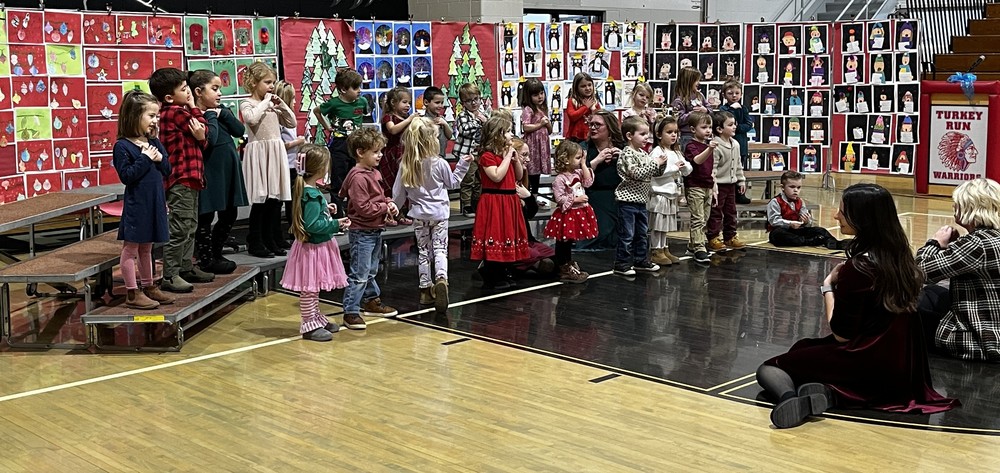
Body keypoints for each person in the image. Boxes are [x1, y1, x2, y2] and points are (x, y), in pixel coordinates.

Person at [757, 183, 959, 429]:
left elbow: (842, 334)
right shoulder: (902, 257)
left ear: (862, 218)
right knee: (804, 349)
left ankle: (789, 399)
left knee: (770, 368)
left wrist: (828, 287)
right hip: (902, 366)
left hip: (865, 361)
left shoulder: (859, 268)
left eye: (842, 211)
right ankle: (830, 393)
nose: (835, 216)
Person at [392, 117, 472, 312]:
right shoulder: (440, 163)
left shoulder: (406, 164)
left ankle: (425, 291)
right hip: (440, 214)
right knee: (440, 250)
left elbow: (398, 194)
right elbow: (453, 183)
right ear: (430, 141)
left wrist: (393, 210)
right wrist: (462, 165)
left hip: (419, 215)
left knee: (423, 252)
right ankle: (442, 279)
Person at [916, 177, 1000, 361]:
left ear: (970, 208)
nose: (954, 208)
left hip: (983, 343)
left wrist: (935, 242)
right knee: (932, 292)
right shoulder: (990, 238)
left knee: (907, 311)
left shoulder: (977, 244)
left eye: (957, 204)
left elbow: (918, 271)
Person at [148, 67, 211, 293]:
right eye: (184, 90)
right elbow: (204, 130)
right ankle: (170, 274)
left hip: (191, 178)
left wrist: (201, 136)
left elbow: (201, 139)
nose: (189, 94)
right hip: (181, 179)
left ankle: (185, 267)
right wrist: (195, 107)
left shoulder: (176, 112)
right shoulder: (176, 112)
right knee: (180, 227)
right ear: (168, 97)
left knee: (190, 225)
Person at [112, 90, 176, 309]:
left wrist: (159, 156)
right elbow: (127, 176)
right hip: (137, 205)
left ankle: (149, 286)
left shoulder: (153, 142)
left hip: (155, 202)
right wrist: (145, 158)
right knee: (131, 248)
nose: (155, 120)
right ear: (134, 116)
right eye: (151, 116)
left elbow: (167, 169)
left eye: (156, 116)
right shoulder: (123, 146)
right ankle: (132, 292)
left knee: (147, 248)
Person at [280, 144, 350, 342]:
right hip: (313, 250)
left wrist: (326, 209)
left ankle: (316, 317)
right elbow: (312, 225)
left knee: (314, 287)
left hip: (316, 248)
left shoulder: (310, 191)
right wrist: (335, 224)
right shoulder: (311, 193)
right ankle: (309, 324)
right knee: (310, 289)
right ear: (320, 168)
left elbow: (311, 215)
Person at [340, 127, 399, 330]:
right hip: (362, 231)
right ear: (360, 152)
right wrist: (384, 207)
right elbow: (363, 208)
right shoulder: (358, 177)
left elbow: (380, 197)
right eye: (375, 152)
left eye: (380, 151)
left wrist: (389, 203)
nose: (380, 155)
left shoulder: (374, 173)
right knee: (360, 273)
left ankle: (371, 300)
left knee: (371, 270)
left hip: (374, 230)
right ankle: (350, 311)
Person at [190, 69, 248, 275]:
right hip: (209, 172)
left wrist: (222, 113)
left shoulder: (220, 110)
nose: (219, 94)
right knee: (206, 215)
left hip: (228, 171)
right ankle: (205, 258)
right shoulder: (195, 115)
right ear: (198, 91)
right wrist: (212, 116)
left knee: (230, 212)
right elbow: (210, 139)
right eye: (214, 89)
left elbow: (239, 131)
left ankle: (216, 251)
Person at [240, 62, 297, 258]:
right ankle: (255, 240)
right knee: (261, 200)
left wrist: (281, 106)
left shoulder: (272, 105)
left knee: (274, 200)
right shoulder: (248, 103)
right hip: (260, 152)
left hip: (275, 151)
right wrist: (266, 102)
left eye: (273, 82)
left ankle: (271, 239)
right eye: (267, 82)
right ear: (254, 83)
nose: (271, 86)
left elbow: (292, 122)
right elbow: (252, 119)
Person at [471, 114, 530, 289]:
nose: (512, 135)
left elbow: (519, 176)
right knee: (495, 234)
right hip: (494, 200)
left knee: (507, 236)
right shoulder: (487, 156)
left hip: (509, 199)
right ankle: (491, 274)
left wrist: (515, 159)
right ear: (498, 134)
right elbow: (496, 176)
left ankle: (504, 271)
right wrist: (506, 158)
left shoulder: (507, 154)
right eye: (508, 131)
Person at [613, 115, 667, 276]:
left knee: (642, 233)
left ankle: (640, 260)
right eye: (642, 134)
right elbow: (636, 173)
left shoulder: (643, 154)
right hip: (627, 201)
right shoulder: (627, 154)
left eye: (647, 134)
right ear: (629, 136)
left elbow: (654, 173)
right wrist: (654, 163)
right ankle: (621, 263)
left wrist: (662, 164)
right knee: (627, 235)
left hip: (642, 201)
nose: (646, 138)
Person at [314, 68, 367, 216]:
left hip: (357, 144)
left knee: (356, 178)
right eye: (355, 88)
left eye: (359, 87)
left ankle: (355, 213)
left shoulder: (362, 102)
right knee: (338, 180)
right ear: (343, 89)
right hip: (340, 144)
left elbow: (364, 117)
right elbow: (317, 111)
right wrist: (327, 127)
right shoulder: (334, 103)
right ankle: (337, 215)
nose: (359, 91)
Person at [543, 140, 596, 283]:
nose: (580, 160)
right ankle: (563, 266)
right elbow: (559, 198)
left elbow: (588, 182)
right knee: (563, 242)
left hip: (577, 213)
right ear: (566, 159)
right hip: (567, 214)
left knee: (569, 241)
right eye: (578, 158)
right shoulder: (560, 179)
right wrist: (576, 199)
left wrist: (584, 164)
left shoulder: (578, 172)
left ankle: (568, 263)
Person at [576, 109, 624, 251]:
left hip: (619, 195)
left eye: (598, 125)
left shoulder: (622, 147)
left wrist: (623, 158)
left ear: (609, 128)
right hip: (593, 195)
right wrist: (597, 161)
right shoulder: (583, 148)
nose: (593, 128)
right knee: (597, 236)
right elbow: (575, 176)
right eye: (591, 125)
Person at [648, 116, 691, 266]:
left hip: (671, 194)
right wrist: (674, 168)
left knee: (665, 225)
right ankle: (656, 249)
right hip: (660, 193)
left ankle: (664, 248)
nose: (674, 135)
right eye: (669, 132)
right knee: (658, 224)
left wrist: (684, 167)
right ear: (659, 134)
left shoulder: (676, 152)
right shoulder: (657, 152)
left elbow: (687, 169)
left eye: (676, 132)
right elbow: (655, 172)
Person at [706, 110, 747, 251]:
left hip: (731, 185)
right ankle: (713, 237)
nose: (734, 127)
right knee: (716, 212)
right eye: (730, 125)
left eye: (734, 124)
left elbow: (738, 165)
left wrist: (741, 180)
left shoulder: (735, 144)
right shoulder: (715, 146)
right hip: (719, 186)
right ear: (719, 129)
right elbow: (713, 168)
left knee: (731, 211)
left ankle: (730, 236)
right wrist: (713, 185)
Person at [766, 171, 840, 248]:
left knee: (820, 230)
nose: (796, 190)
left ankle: (834, 243)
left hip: (798, 231)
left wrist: (806, 221)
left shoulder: (800, 202)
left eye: (798, 187)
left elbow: (808, 222)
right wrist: (790, 224)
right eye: (792, 187)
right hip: (782, 231)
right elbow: (774, 221)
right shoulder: (775, 202)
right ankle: (808, 241)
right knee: (778, 234)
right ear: (782, 187)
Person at [682, 111, 717, 264]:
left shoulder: (706, 145)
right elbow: (697, 161)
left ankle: (692, 244)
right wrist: (709, 149)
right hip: (695, 186)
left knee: (705, 218)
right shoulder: (691, 145)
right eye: (704, 127)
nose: (708, 130)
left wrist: (714, 187)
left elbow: (711, 169)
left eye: (709, 127)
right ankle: (699, 246)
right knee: (698, 218)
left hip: (707, 185)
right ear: (693, 129)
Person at [380, 87, 416, 226]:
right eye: (404, 102)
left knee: (404, 183)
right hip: (391, 155)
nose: (408, 105)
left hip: (405, 153)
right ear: (394, 103)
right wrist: (410, 120)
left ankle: (403, 211)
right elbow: (393, 130)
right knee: (392, 183)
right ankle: (392, 213)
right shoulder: (388, 117)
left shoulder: (407, 118)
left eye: (409, 103)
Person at [277, 80, 307, 237]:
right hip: (285, 165)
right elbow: (280, 144)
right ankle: (289, 229)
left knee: (294, 200)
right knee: (288, 201)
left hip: (293, 164)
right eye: (293, 99)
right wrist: (298, 142)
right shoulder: (278, 119)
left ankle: (294, 228)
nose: (295, 102)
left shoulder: (290, 119)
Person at [454, 83, 489, 217]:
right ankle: (467, 206)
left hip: (481, 153)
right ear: (463, 103)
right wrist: (476, 121)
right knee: (468, 180)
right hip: (467, 154)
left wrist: (485, 121)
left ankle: (476, 203)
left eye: (476, 99)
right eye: (469, 101)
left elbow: (491, 128)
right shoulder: (463, 115)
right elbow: (464, 130)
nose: (473, 103)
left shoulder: (483, 114)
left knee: (479, 180)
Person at [719, 79, 754, 204]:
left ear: (741, 94)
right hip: (727, 143)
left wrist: (736, 128)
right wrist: (733, 111)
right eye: (730, 93)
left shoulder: (743, 109)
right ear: (724, 95)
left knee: (739, 169)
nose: (734, 96)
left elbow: (749, 124)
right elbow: (725, 121)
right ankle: (730, 195)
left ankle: (740, 194)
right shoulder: (723, 108)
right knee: (728, 168)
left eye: (737, 93)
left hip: (741, 143)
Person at [519, 78, 553, 203]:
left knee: (537, 170)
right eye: (535, 94)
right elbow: (526, 127)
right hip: (533, 144)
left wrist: (547, 123)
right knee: (531, 170)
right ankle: (528, 196)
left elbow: (549, 130)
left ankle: (535, 195)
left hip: (542, 145)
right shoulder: (528, 109)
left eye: (541, 93)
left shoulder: (542, 109)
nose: (540, 97)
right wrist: (540, 124)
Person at [671, 67, 709, 150]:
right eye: (696, 80)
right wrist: (692, 114)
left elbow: (710, 110)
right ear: (688, 82)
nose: (698, 83)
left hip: (701, 135)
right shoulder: (679, 100)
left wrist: (705, 110)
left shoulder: (700, 95)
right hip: (687, 136)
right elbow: (678, 119)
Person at [565, 72, 600, 143]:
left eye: (589, 85)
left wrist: (593, 109)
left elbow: (600, 118)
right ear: (576, 88)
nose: (587, 88)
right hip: (575, 138)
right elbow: (572, 116)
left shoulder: (594, 101)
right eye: (583, 86)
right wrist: (585, 107)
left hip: (591, 136)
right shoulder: (572, 101)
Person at [422, 86, 453, 158]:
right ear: (426, 102)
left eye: (442, 103)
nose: (440, 106)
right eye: (437, 102)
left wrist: (445, 124)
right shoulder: (422, 120)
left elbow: (449, 136)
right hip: (427, 158)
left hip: (441, 157)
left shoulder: (441, 119)